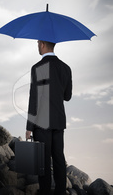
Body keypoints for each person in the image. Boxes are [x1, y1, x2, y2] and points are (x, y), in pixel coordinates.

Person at [25, 40, 72, 195]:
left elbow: (34, 99)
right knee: (59, 159)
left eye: (38, 43)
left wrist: (29, 127)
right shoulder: (66, 68)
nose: (37, 46)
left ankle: (44, 192)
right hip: (59, 121)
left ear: (43, 44)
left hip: (41, 122)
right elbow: (68, 96)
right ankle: (60, 192)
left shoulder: (37, 68)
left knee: (42, 162)